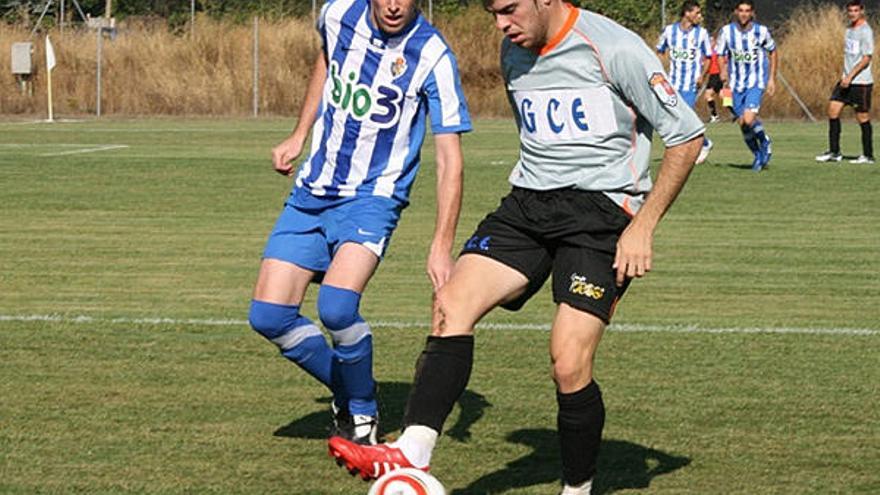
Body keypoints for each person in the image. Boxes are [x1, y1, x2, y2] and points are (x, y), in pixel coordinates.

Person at [328, 0, 705, 492]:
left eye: (509, 10)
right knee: (450, 301)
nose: (502, 25)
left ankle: (577, 488)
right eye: (493, 13)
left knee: (568, 361)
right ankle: (410, 452)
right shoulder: (515, 53)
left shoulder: (615, 47)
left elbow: (688, 137)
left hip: (602, 216)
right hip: (528, 206)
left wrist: (643, 225)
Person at [248, 0, 471, 445]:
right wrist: (299, 134)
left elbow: (450, 160)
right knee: (269, 316)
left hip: (373, 197)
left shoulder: (432, 55)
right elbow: (327, 61)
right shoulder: (336, 14)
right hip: (312, 191)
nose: (393, 5)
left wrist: (441, 244)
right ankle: (351, 390)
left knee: (336, 308)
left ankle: (363, 415)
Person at [718, 0, 778, 172]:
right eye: (741, 10)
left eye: (747, 11)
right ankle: (758, 155)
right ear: (736, 12)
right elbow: (721, 54)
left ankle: (765, 141)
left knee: (749, 118)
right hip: (733, 84)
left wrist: (771, 79)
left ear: (752, 13)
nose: (744, 14)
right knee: (742, 122)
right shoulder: (727, 31)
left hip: (755, 82)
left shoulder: (761, 31)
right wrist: (723, 74)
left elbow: (773, 52)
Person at [816, 0, 875, 164]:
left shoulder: (866, 31)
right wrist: (844, 76)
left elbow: (866, 59)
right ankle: (835, 152)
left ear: (861, 11)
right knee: (832, 110)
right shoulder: (849, 30)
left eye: (856, 11)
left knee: (862, 117)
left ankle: (868, 155)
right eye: (850, 11)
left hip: (860, 82)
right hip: (845, 81)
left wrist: (850, 77)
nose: (852, 14)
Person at [656, 0, 714, 164]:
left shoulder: (701, 34)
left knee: (685, 116)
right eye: (697, 13)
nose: (699, 16)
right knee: (674, 118)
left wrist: (702, 75)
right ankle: (702, 144)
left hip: (690, 83)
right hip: (672, 82)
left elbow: (709, 57)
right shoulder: (669, 31)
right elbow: (660, 51)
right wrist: (661, 71)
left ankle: (701, 145)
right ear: (687, 13)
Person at [704, 35, 726, 123]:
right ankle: (736, 113)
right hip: (713, 75)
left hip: (716, 75)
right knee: (722, 96)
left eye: (711, 42)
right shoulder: (709, 52)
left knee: (708, 95)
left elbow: (723, 63)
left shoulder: (716, 53)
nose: (709, 44)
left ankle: (714, 115)